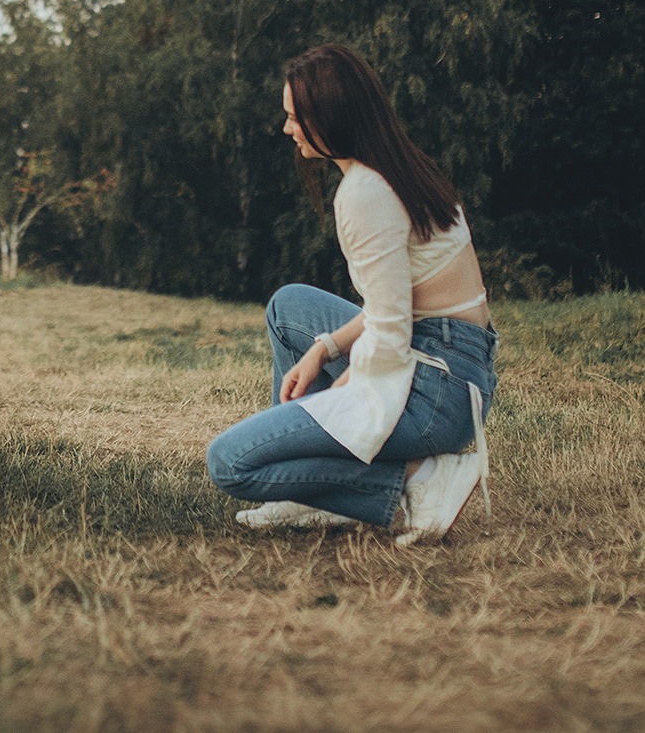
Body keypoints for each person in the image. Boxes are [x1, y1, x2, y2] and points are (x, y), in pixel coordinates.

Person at [205, 45, 499, 544]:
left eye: (295, 117)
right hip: (457, 364)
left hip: (437, 392)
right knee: (288, 307)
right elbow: (395, 304)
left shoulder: (364, 193)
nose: (287, 128)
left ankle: (419, 480)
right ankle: (316, 492)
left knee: (229, 463)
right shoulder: (401, 167)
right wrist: (324, 350)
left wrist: (341, 397)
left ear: (330, 118)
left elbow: (391, 331)